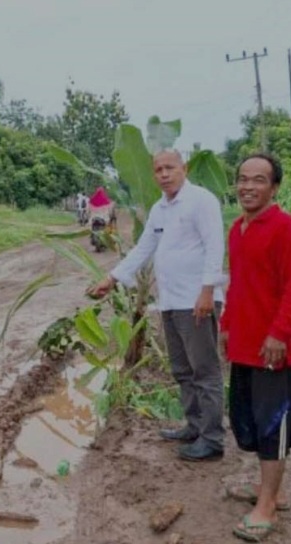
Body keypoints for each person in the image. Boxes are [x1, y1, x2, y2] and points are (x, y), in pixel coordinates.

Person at [88, 149, 227, 461]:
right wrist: (112, 278)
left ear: (184, 168)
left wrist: (207, 290)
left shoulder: (201, 201)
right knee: (182, 369)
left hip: (197, 300)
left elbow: (215, 245)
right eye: (158, 169)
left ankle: (213, 439)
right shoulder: (160, 208)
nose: (164, 174)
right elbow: (144, 248)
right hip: (171, 301)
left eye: (170, 168)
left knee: (204, 370)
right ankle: (194, 425)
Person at [221, 153, 291, 542]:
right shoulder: (237, 229)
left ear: (274, 188)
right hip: (242, 343)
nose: (248, 186)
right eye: (243, 179)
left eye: (259, 180)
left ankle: (268, 506)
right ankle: (273, 489)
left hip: (272, 348)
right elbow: (238, 285)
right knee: (253, 421)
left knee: (273, 425)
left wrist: (280, 333)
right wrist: (225, 325)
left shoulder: (287, 229)